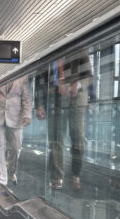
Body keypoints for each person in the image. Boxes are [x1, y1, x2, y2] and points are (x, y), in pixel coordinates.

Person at [35, 49, 93, 190]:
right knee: (56, 139)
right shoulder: (47, 53)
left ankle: (76, 174)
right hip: (54, 100)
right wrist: (39, 105)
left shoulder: (79, 50)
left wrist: (78, 85)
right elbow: (39, 82)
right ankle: (57, 176)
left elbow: (89, 76)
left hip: (76, 100)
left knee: (78, 138)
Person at [0, 75, 31, 186]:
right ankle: (0, 180)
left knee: (16, 147)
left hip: (16, 117)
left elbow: (26, 97)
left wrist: (27, 115)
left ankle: (11, 171)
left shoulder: (23, 76)